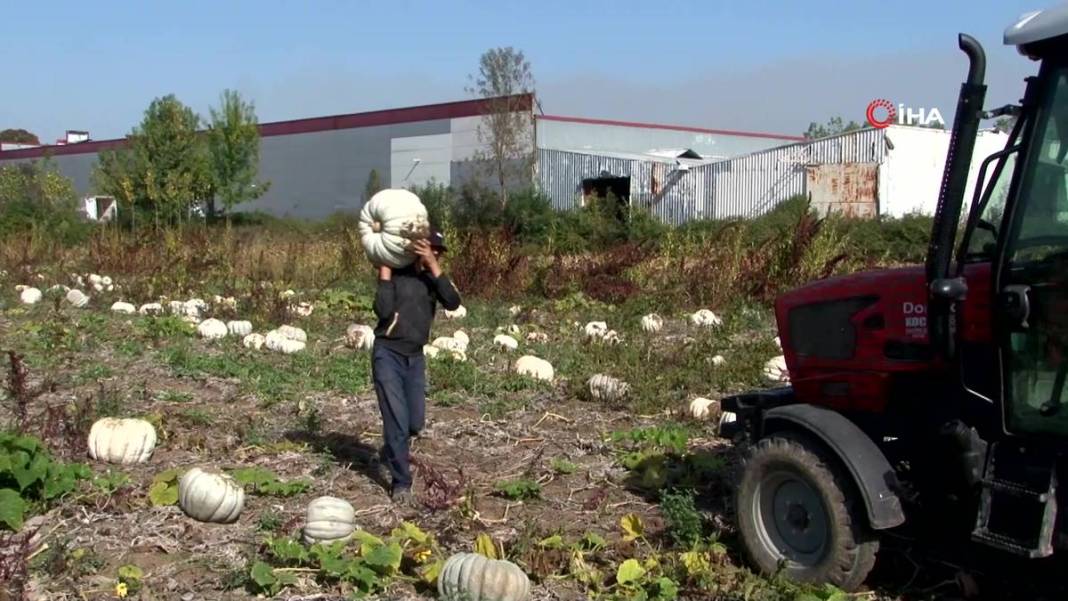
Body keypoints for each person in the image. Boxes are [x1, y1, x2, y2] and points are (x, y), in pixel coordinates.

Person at [371, 230, 461, 506]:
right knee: (397, 421)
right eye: (429, 248)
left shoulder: (432, 280)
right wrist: (385, 272)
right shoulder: (397, 275)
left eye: (438, 251)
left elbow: (453, 302)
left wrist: (433, 267)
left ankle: (391, 450)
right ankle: (401, 483)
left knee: (414, 423)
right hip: (388, 354)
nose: (434, 253)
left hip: (415, 358)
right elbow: (382, 311)